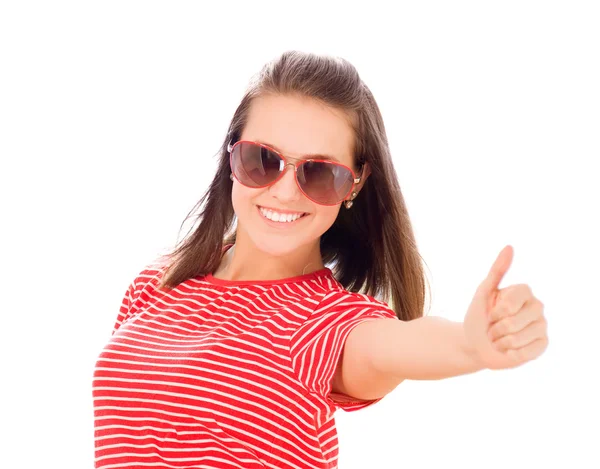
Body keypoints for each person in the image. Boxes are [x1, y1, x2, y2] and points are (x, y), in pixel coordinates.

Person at [92, 50, 548, 469]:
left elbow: (391, 346)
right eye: (261, 160)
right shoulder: (158, 283)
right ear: (231, 155)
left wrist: (470, 345)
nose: (285, 191)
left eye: (321, 173)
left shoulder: (323, 323)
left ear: (354, 184)